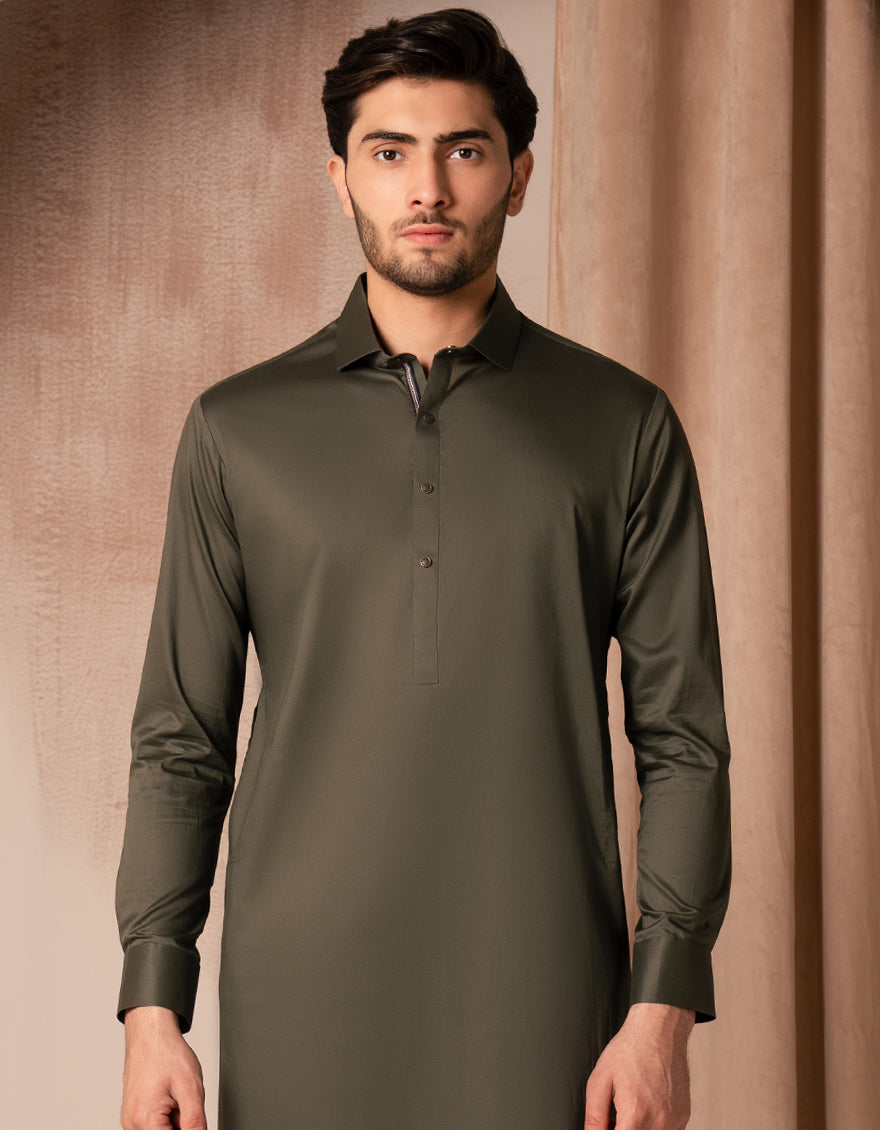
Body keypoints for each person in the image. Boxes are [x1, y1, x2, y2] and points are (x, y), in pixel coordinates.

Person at [116, 9, 731, 1130]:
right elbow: (180, 740)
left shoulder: (622, 424)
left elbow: (682, 739)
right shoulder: (236, 429)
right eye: (390, 152)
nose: (428, 189)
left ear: (519, 176)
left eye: (465, 149)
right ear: (340, 178)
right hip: (298, 993)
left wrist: (661, 1012)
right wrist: (153, 1006)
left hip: (548, 993)